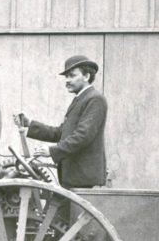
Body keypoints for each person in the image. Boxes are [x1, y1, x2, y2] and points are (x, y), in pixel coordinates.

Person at [16, 55, 107, 189]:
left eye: (72, 75)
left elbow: (83, 136)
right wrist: (29, 123)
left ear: (86, 76)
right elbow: (61, 133)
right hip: (74, 176)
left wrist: (52, 151)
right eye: (66, 76)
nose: (67, 80)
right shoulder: (81, 99)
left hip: (83, 178)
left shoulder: (95, 99)